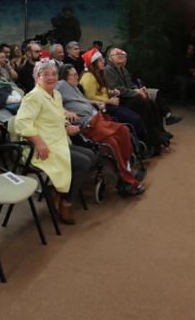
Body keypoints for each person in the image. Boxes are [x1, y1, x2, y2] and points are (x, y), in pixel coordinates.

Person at [14, 60, 97, 224]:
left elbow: (58, 116)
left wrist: (66, 126)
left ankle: (57, 192)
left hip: (57, 142)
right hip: (41, 147)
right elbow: (21, 123)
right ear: (38, 76)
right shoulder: (34, 96)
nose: (51, 78)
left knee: (91, 155)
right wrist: (38, 141)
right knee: (83, 162)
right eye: (46, 74)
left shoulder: (56, 95)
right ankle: (66, 201)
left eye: (54, 74)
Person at [57, 64, 144, 196]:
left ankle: (127, 166)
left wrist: (94, 103)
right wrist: (65, 111)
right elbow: (53, 102)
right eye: (73, 75)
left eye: (76, 74)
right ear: (65, 77)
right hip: (88, 125)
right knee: (112, 143)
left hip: (97, 118)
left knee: (124, 130)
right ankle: (126, 179)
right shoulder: (61, 85)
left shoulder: (74, 87)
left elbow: (82, 101)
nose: (76, 77)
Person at [78, 48, 157, 153]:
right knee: (136, 118)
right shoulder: (88, 76)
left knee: (139, 111)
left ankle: (149, 141)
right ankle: (142, 145)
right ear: (94, 63)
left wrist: (112, 92)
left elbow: (102, 91)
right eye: (100, 60)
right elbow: (90, 97)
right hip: (102, 108)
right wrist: (109, 100)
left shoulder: (98, 74)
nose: (103, 62)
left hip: (110, 104)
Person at [105, 46, 181, 126]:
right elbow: (117, 89)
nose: (121, 56)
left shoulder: (123, 69)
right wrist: (136, 92)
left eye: (122, 54)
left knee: (152, 100)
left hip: (130, 93)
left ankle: (161, 126)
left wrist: (139, 89)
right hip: (122, 98)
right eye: (118, 54)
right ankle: (152, 131)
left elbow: (130, 84)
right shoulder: (109, 69)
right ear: (110, 58)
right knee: (145, 101)